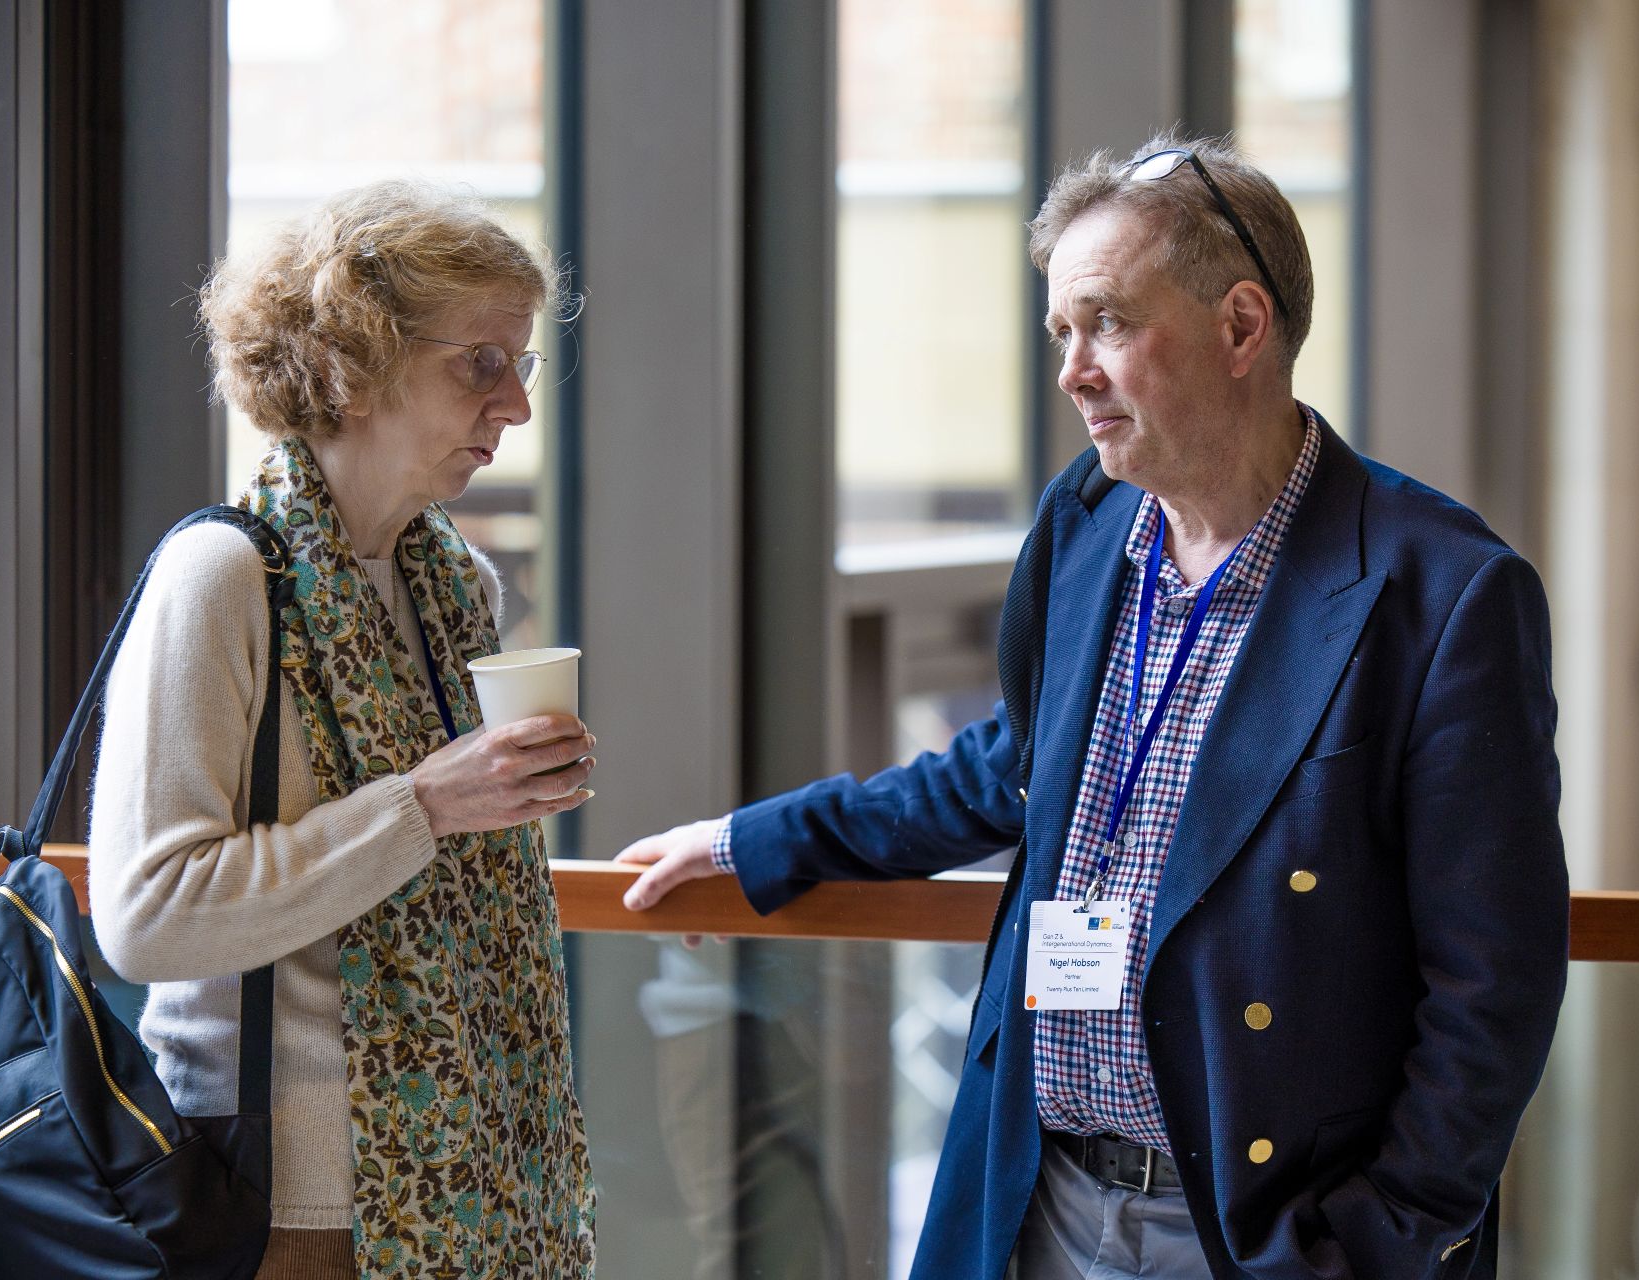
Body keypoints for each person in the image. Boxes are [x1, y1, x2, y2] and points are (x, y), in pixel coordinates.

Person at [616, 133, 1568, 1279]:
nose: (1072, 371)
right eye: (1060, 331)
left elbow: (1494, 980)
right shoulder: (1087, 521)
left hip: (1264, 1238)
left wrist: (1380, 1241)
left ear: (1242, 326)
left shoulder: (1445, 590)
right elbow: (1011, 767)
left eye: (1107, 322)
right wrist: (750, 841)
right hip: (1039, 1198)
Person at [89, 181, 598, 1279]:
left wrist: (491, 794)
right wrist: (424, 807)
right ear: (350, 365)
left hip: (482, 1186)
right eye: (481, 362)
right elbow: (147, 917)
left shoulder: (454, 581)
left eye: (521, 363)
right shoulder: (222, 576)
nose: (516, 405)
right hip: (287, 1208)